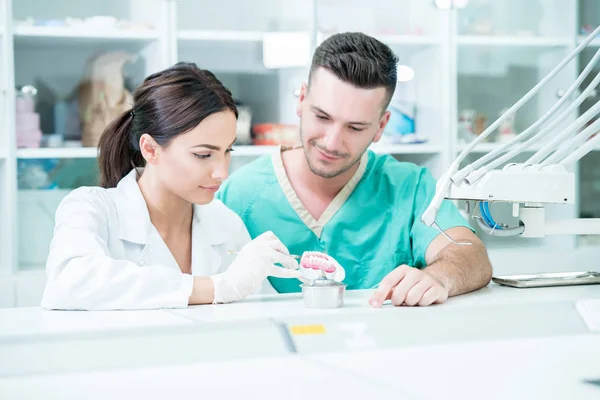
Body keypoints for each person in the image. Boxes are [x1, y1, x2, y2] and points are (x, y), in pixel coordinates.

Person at [217, 33, 493, 307]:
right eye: (322, 117)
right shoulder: (238, 194)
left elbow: (471, 256)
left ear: (381, 126)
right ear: (301, 100)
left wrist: (439, 277)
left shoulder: (409, 188)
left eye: (355, 127)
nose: (332, 142)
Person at [41, 62, 302, 311]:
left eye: (228, 150)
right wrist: (216, 288)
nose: (222, 172)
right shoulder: (92, 209)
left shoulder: (225, 223)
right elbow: (68, 282)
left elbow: (258, 318)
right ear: (150, 149)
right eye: (203, 155)